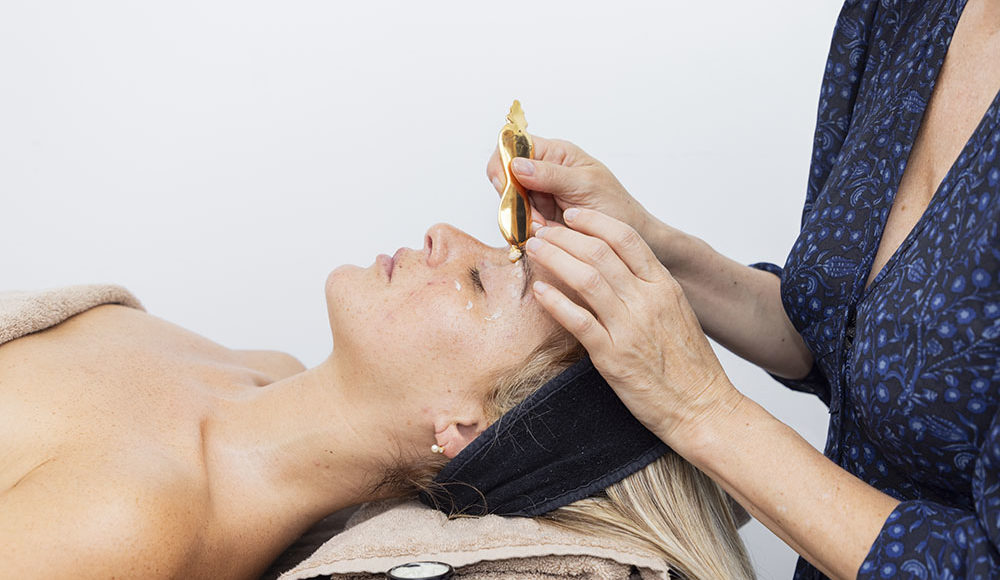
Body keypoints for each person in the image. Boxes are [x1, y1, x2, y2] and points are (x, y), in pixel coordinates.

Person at [485, 1, 1000, 578]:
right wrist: (646, 241)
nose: (435, 238)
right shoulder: (898, 14)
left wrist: (700, 407)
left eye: (477, 282)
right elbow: (848, 341)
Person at [0, 223, 752, 580]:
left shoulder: (132, 521)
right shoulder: (263, 371)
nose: (444, 235)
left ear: (463, 426)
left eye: (481, 281)